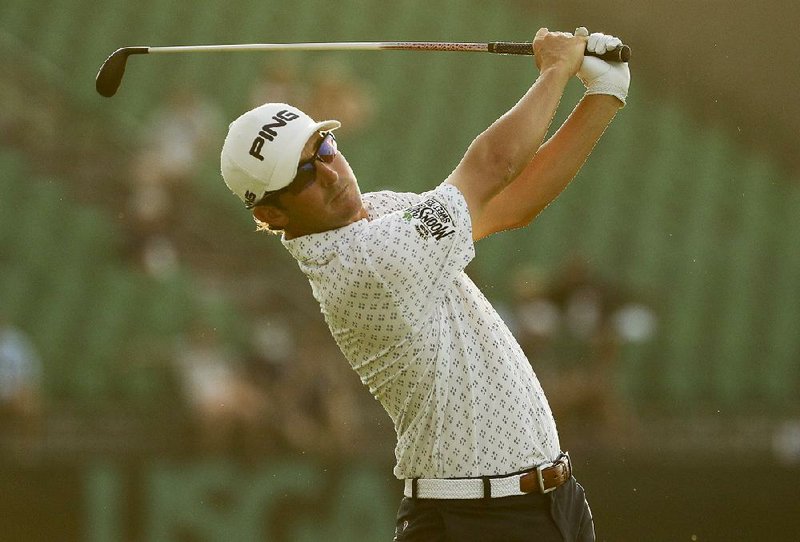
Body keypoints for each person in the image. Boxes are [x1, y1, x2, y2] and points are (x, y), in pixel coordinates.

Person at [219, 27, 630, 542]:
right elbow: (492, 167)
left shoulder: (378, 215)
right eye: (302, 175)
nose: (330, 172)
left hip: (527, 506)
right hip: (489, 519)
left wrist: (603, 98)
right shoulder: (365, 263)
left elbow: (508, 205)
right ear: (272, 214)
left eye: (324, 146)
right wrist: (556, 70)